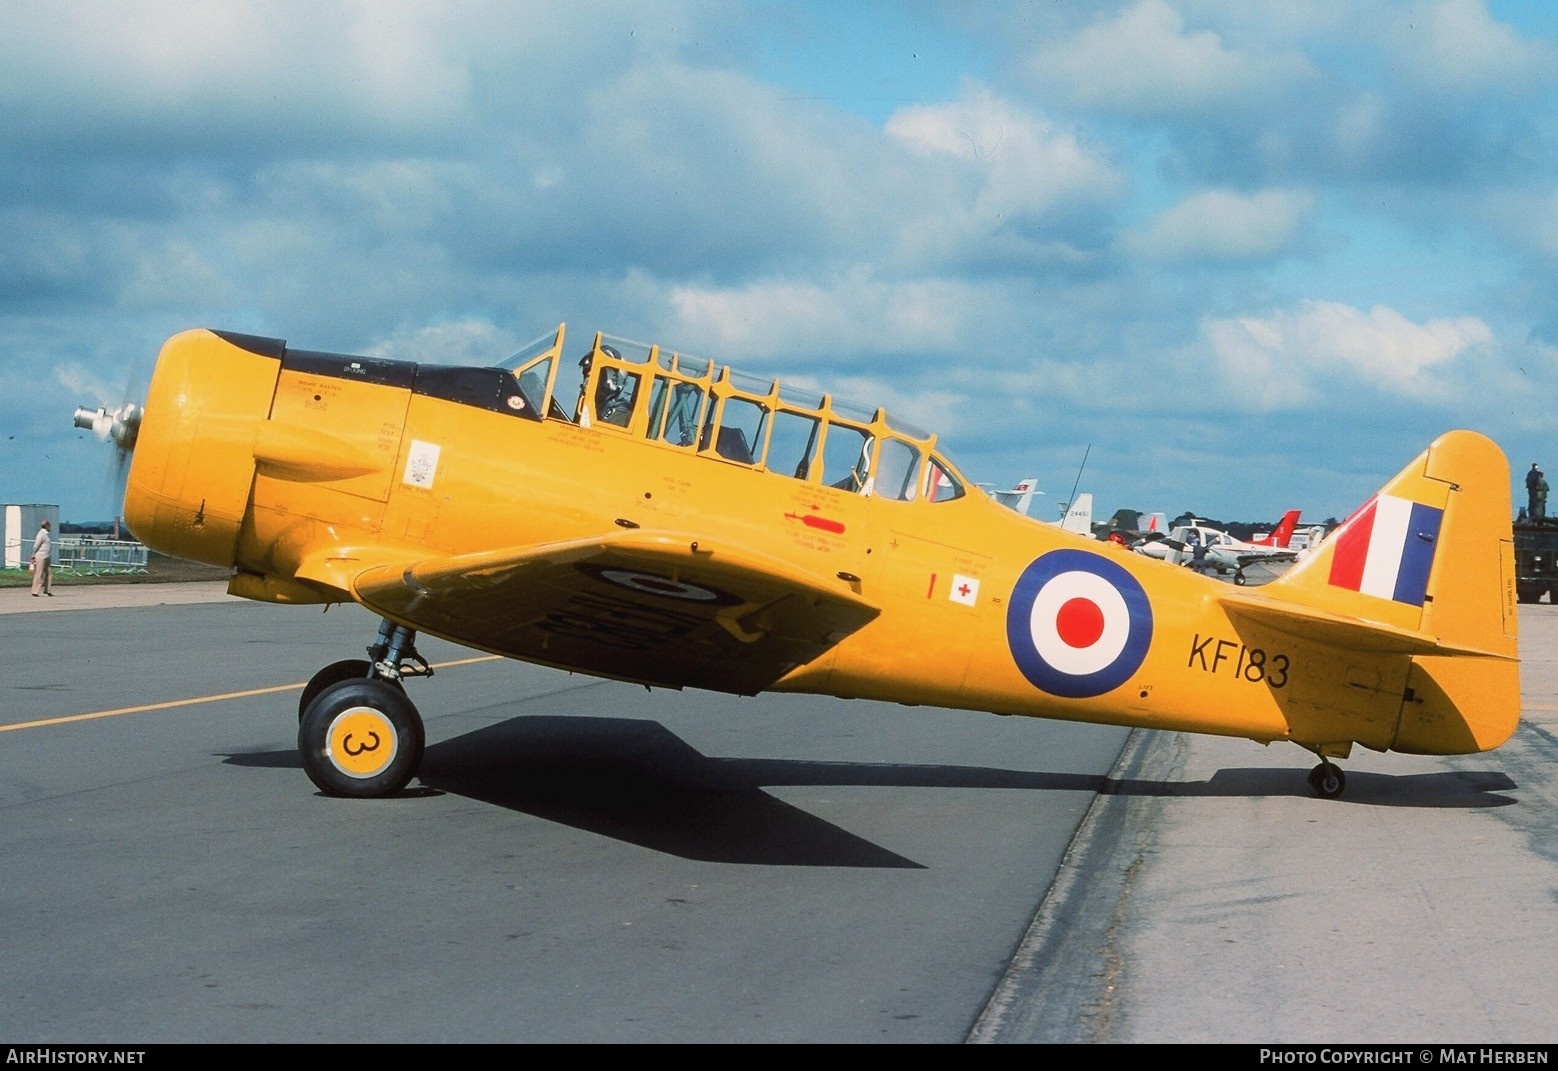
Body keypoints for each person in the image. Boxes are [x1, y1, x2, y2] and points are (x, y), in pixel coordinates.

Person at [30, 519, 53, 597]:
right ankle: (35, 591)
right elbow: (36, 545)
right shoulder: (41, 534)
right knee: (39, 573)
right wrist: (33, 554)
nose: (50, 527)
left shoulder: (46, 535)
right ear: (46, 526)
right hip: (41, 556)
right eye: (49, 526)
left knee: (49, 573)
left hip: (47, 556)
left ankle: (47, 590)